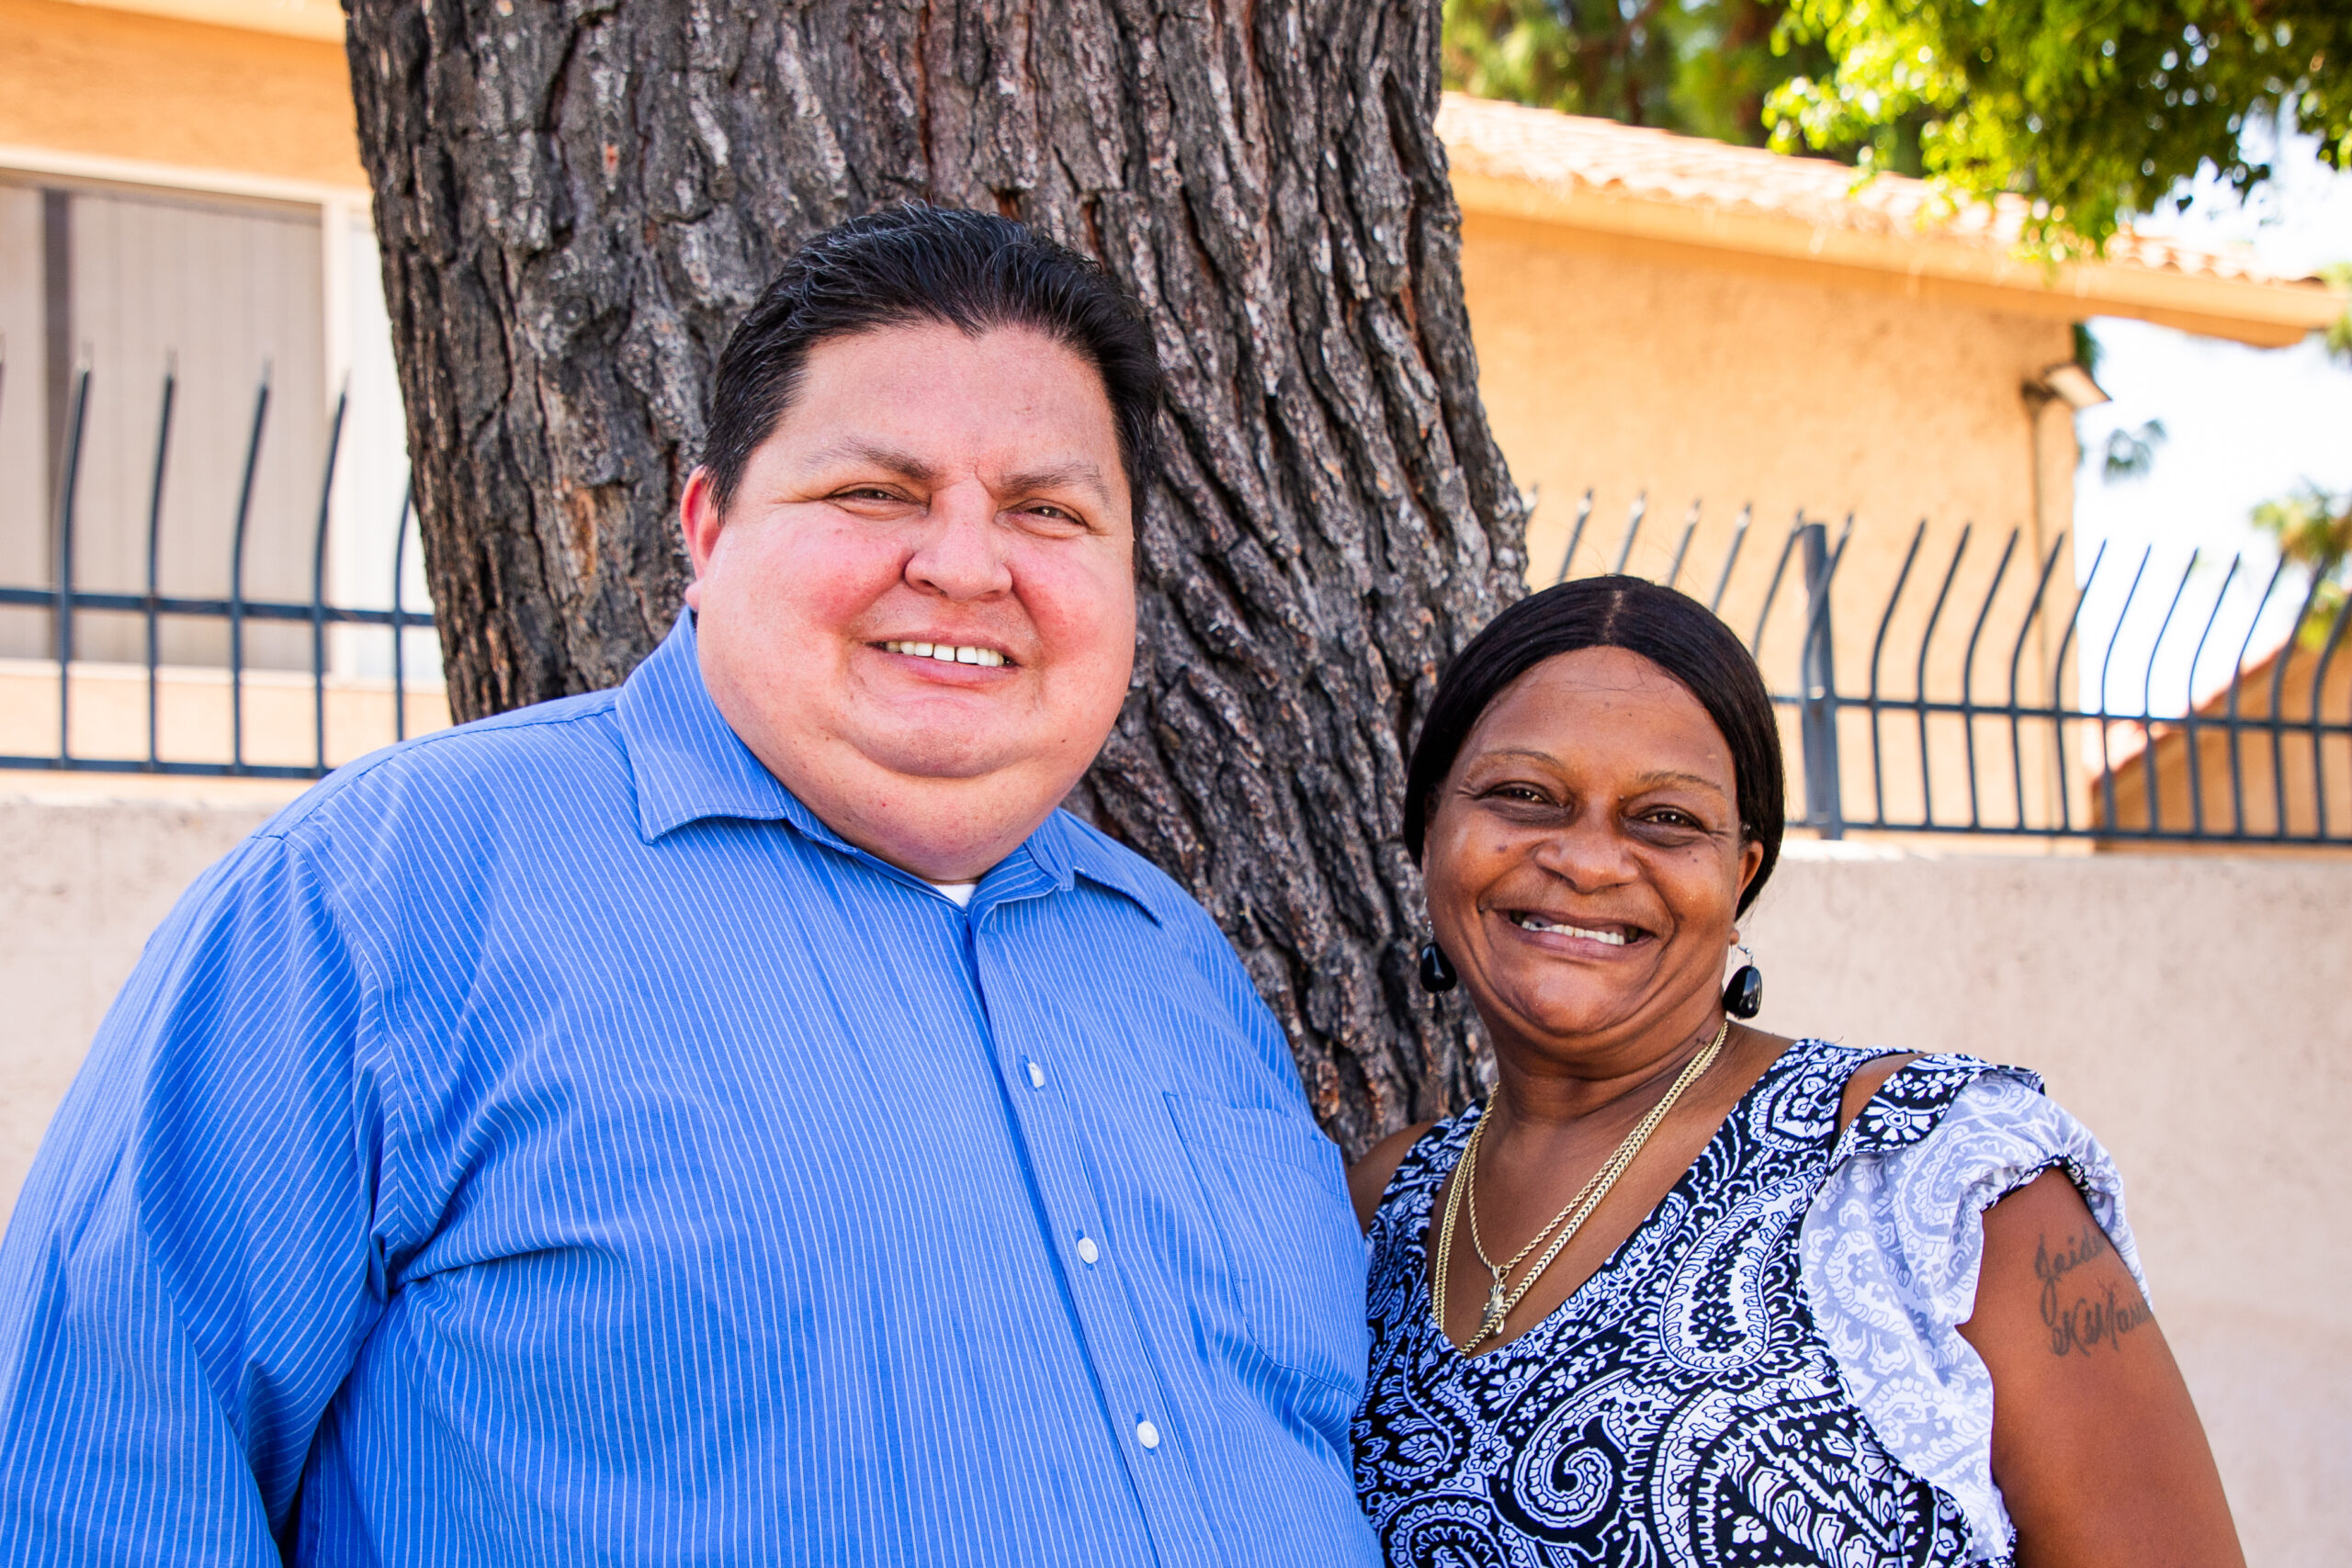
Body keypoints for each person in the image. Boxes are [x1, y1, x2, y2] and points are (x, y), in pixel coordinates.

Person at [0, 207, 1378, 1566]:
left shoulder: (1177, 962)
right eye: (873, 492)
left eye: (1047, 509)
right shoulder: (392, 894)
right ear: (708, 526)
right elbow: (95, 1469)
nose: (964, 562)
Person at [1347, 576, 2243, 1568]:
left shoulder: (1934, 1174)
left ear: (1740, 878)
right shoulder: (1375, 1215)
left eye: (1666, 820)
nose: (1590, 860)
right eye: (1524, 795)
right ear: (1429, 830)